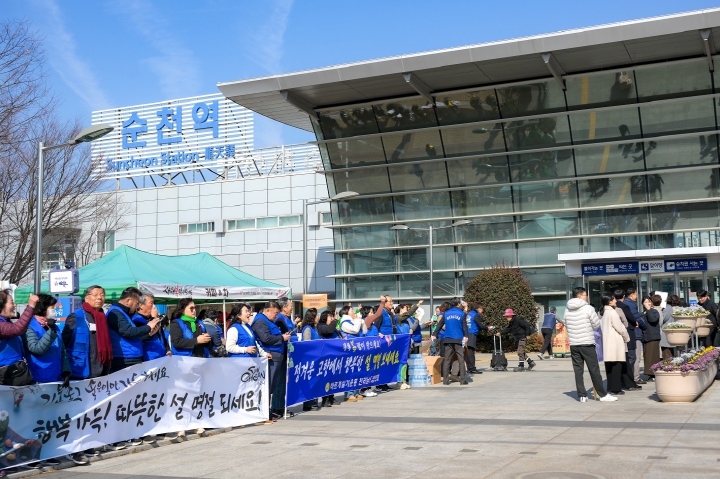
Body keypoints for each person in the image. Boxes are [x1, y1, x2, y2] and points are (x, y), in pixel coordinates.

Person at [559, 287, 617, 402]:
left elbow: (565, 322)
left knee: (578, 370)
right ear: (579, 296)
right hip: (587, 342)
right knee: (594, 369)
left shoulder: (567, 309)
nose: (587, 297)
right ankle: (602, 394)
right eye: (585, 295)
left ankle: (582, 395)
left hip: (574, 343)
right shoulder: (588, 308)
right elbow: (596, 324)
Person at [168, 298, 212, 437]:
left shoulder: (199, 323)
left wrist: (207, 340)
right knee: (182, 394)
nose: (194, 311)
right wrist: (196, 340)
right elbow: (177, 342)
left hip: (199, 361)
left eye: (195, 308)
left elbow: (207, 343)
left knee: (196, 394)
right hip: (184, 363)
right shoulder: (176, 323)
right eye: (191, 308)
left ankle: (194, 422)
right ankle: (180, 424)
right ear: (182, 309)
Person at [252, 301, 292, 420]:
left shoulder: (268, 321)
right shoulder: (260, 321)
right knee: (268, 385)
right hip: (270, 356)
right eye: (275, 313)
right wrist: (282, 338)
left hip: (276, 355)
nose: (276, 315)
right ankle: (265, 411)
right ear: (268, 310)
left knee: (272, 385)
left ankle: (267, 410)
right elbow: (266, 338)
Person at [106, 287, 159, 373]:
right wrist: (148, 327)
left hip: (132, 357)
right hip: (124, 358)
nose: (137, 307)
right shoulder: (115, 312)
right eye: (137, 303)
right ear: (128, 301)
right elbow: (129, 332)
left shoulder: (124, 313)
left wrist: (148, 334)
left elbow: (134, 336)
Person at [23, 294, 71, 384]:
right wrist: (51, 331)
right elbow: (36, 349)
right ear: (43, 308)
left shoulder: (54, 326)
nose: (54, 310)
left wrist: (66, 370)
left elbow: (62, 350)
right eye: (52, 308)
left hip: (57, 376)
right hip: (39, 378)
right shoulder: (30, 327)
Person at [0, 290, 38, 386]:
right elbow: (16, 329)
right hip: (6, 377)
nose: (15, 305)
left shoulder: (6, 322)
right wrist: (30, 307)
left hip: (15, 374)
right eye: (11, 302)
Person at [431, 298, 468, 385]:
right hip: (458, 339)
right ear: (458, 304)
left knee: (447, 360)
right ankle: (462, 380)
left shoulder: (446, 313)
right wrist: (466, 336)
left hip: (447, 339)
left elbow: (439, 325)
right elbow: (464, 326)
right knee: (461, 359)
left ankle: (445, 380)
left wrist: (434, 334)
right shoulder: (462, 313)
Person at [599, 295, 630, 395]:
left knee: (609, 367)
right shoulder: (612, 312)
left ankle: (610, 387)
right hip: (615, 342)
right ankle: (616, 389)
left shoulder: (602, 312)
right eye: (614, 299)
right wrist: (626, 337)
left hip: (606, 342)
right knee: (617, 366)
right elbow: (620, 327)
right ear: (609, 302)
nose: (616, 301)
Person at [613, 290, 641, 391]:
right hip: (627, 333)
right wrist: (635, 323)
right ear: (624, 296)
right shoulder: (623, 306)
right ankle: (627, 380)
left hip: (616, 336)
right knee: (631, 357)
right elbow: (630, 319)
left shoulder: (610, 308)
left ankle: (623, 380)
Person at [298, 308, 323, 411]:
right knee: (310, 381)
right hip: (309, 359)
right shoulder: (307, 329)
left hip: (316, 358)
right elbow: (307, 343)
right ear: (313, 317)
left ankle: (313, 402)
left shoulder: (314, 328)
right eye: (317, 315)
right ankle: (309, 403)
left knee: (315, 381)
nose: (318, 317)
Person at [133, 293, 168, 362]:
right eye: (151, 303)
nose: (154, 306)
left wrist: (167, 349)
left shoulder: (151, 319)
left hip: (161, 357)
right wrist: (154, 318)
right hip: (149, 359)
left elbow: (161, 336)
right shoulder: (136, 320)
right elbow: (141, 337)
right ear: (141, 305)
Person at [623, 288, 647, 385]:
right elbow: (636, 318)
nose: (636, 296)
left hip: (628, 333)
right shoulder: (631, 304)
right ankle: (635, 377)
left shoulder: (624, 303)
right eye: (636, 294)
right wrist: (644, 327)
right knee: (636, 357)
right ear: (632, 294)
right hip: (635, 333)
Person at [466, 304, 491, 373]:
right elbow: (479, 325)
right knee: (471, 351)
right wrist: (487, 328)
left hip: (467, 333)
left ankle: (469, 368)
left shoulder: (469, 314)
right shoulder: (476, 315)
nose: (482, 312)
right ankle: (472, 369)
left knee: (467, 351)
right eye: (482, 310)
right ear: (479, 309)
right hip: (472, 333)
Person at [642, 295, 662, 382]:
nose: (647, 303)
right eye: (645, 302)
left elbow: (653, 320)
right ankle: (649, 373)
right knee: (647, 356)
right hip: (646, 337)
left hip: (653, 337)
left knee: (653, 356)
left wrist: (649, 309)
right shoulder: (643, 313)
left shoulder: (654, 311)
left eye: (649, 301)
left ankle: (653, 373)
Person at [661, 295, 683, 360]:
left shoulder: (668, 308)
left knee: (667, 355)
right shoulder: (681, 309)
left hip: (667, 334)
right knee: (675, 354)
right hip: (677, 335)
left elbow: (662, 319)